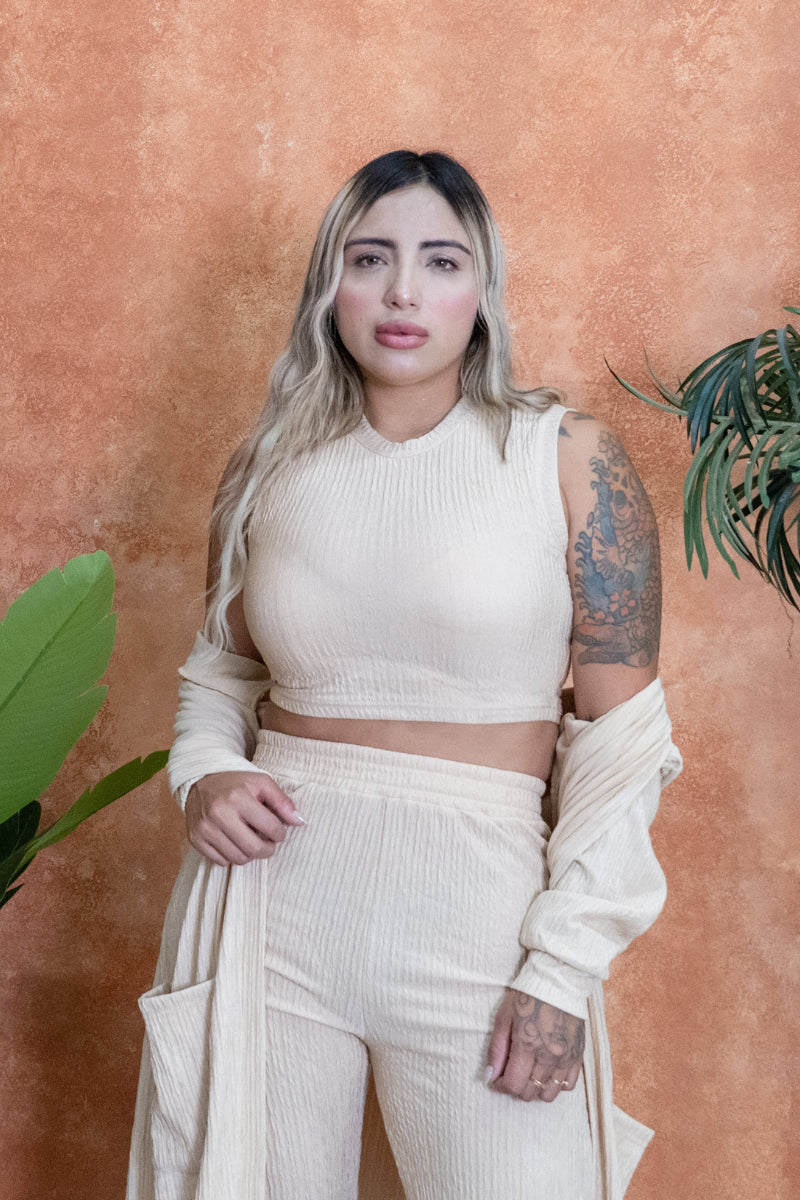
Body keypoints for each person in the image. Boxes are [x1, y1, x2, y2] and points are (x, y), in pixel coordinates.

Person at [126, 150, 681, 1200]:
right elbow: (219, 673)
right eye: (368, 257)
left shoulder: (564, 459)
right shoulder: (268, 468)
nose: (400, 292)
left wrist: (561, 969)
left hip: (482, 905)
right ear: (326, 284)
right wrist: (203, 776)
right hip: (270, 901)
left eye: (439, 260)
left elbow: (622, 749)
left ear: (482, 291)